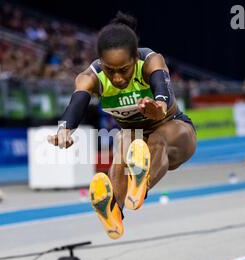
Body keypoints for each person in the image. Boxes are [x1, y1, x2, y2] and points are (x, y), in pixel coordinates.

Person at [48, 12, 197, 239]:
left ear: (135, 57)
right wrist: (64, 129)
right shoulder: (90, 76)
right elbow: (76, 104)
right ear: (100, 62)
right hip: (136, 137)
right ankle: (114, 212)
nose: (117, 78)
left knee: (156, 140)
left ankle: (141, 183)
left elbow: (161, 89)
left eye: (124, 69)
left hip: (176, 132)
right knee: (121, 142)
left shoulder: (150, 61)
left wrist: (157, 107)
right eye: (110, 70)